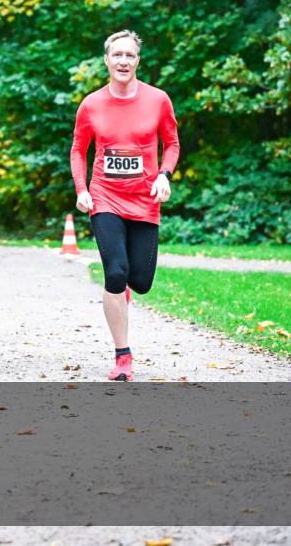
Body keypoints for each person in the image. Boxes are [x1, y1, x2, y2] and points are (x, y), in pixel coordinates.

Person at [70, 30, 180, 381]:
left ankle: (123, 297)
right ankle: (123, 355)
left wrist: (164, 174)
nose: (123, 61)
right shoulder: (91, 104)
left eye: (129, 55)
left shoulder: (158, 99)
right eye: (116, 55)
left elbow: (172, 143)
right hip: (105, 196)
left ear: (137, 61)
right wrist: (82, 188)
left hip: (145, 200)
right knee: (115, 272)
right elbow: (78, 149)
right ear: (106, 60)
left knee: (141, 281)